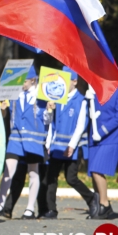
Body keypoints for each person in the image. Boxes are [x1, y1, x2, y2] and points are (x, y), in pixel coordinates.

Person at [42, 67, 98, 219]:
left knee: (71, 178)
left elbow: (81, 125)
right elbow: (49, 122)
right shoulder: (57, 98)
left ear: (74, 81)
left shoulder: (80, 100)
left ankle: (92, 198)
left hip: (71, 147)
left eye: (66, 80)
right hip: (56, 146)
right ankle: (51, 209)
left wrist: (72, 145)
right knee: (51, 177)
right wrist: (49, 109)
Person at [0, 65, 47, 219]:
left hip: (34, 139)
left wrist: (50, 110)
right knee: (8, 170)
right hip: (16, 137)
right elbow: (5, 114)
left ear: (32, 80)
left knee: (33, 172)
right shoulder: (14, 94)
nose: (21, 84)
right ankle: (0, 204)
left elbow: (47, 121)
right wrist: (2, 108)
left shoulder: (42, 96)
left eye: (24, 81)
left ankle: (30, 209)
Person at [86, 85, 118, 219]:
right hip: (95, 138)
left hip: (112, 137)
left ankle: (105, 204)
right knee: (93, 172)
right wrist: (87, 103)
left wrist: (103, 130)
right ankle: (98, 204)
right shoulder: (97, 92)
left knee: (97, 169)